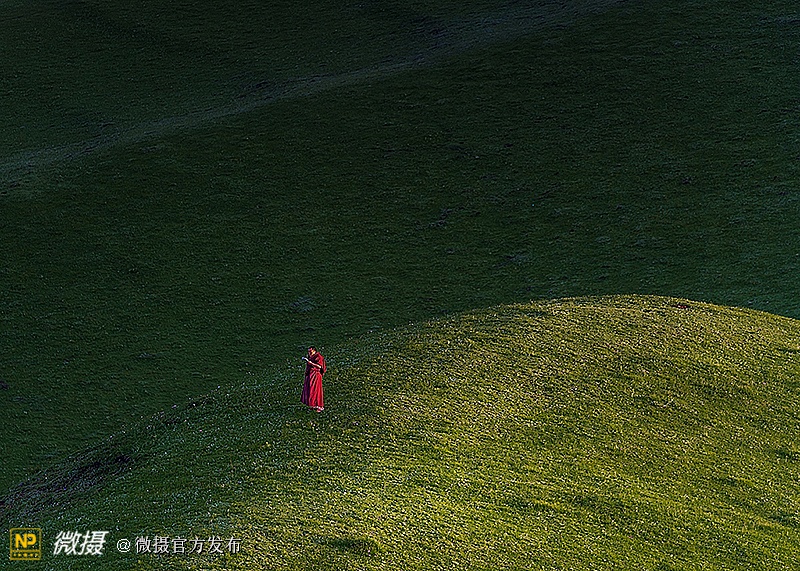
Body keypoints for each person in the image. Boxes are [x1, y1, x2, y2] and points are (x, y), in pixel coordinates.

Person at [301, 347, 326, 412]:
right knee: (311, 390)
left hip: (316, 375)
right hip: (311, 374)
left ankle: (319, 406)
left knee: (316, 390)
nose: (309, 353)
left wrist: (310, 363)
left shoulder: (318, 357)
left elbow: (320, 366)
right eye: (308, 352)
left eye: (310, 352)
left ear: (314, 351)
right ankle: (312, 404)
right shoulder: (311, 357)